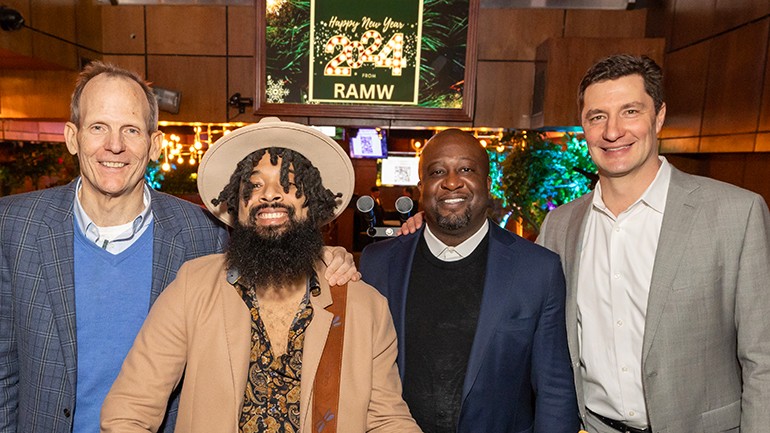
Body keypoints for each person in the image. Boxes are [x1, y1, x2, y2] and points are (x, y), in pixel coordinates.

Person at [0, 62, 357, 433]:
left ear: (154, 145)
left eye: (131, 130)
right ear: (73, 137)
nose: (115, 145)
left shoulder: (202, 233)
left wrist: (323, 259)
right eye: (98, 127)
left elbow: (273, 269)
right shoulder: (14, 227)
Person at [101, 117, 421, 433]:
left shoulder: (364, 307)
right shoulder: (193, 287)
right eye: (253, 184)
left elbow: (386, 420)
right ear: (236, 204)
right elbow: (129, 410)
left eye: (290, 183)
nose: (270, 194)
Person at [537, 54, 770, 432]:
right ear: (584, 125)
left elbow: (764, 358)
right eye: (597, 116)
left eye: (630, 111)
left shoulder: (737, 214)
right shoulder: (560, 226)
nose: (613, 132)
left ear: (659, 116)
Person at [359, 129, 579, 433]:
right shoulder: (378, 264)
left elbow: (555, 390)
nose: (451, 182)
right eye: (437, 171)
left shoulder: (538, 269)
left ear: (487, 185)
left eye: (466, 169)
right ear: (421, 187)